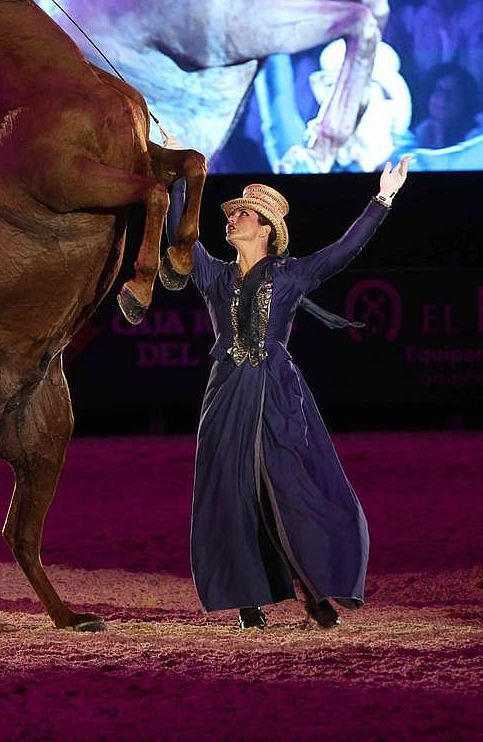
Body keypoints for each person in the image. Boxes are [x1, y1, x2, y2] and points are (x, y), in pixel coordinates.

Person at [167, 158, 413, 629]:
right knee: (232, 494)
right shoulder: (216, 277)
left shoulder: (292, 274)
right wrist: (179, 177)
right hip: (226, 395)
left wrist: (383, 198)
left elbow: (345, 249)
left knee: (291, 490)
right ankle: (247, 604)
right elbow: (182, 235)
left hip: (277, 391)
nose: (231, 219)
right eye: (231, 214)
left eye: (242, 214)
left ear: (265, 229)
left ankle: (316, 591)